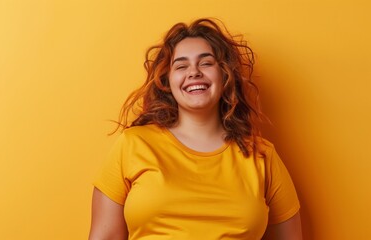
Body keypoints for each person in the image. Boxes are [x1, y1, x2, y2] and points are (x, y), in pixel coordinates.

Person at [89, 18, 302, 240]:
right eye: (181, 66)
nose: (194, 72)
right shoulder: (133, 144)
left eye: (206, 63)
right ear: (167, 81)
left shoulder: (262, 155)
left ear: (225, 75)